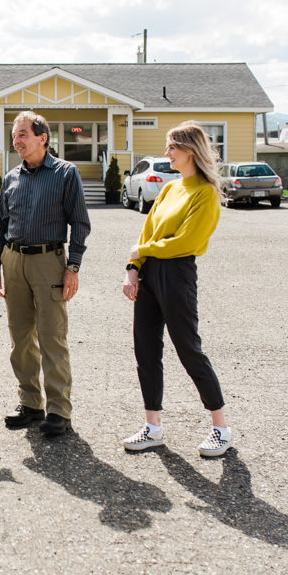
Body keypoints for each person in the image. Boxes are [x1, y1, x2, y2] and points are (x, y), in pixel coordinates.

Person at [120, 121, 233, 457]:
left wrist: (143, 252)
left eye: (172, 147)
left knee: (189, 350)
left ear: (189, 151)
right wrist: (133, 268)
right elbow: (147, 233)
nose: (167, 153)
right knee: (146, 350)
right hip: (150, 272)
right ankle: (152, 427)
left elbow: (187, 242)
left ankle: (221, 429)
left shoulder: (205, 193)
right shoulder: (170, 189)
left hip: (177, 274)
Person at [0, 111, 91, 436]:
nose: (16, 140)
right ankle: (31, 403)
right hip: (13, 260)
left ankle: (59, 410)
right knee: (20, 338)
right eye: (14, 135)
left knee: (52, 336)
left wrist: (73, 267)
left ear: (42, 138)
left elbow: (80, 223)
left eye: (22, 134)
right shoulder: (10, 178)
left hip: (49, 262)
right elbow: (0, 226)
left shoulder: (65, 173)